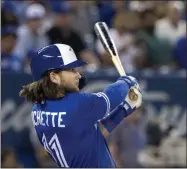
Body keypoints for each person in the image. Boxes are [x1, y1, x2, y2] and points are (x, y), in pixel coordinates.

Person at [19, 43, 142, 167]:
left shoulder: (38, 108)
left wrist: (123, 110)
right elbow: (112, 95)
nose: (78, 75)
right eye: (72, 70)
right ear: (54, 77)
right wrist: (127, 81)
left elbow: (91, 134)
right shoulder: (76, 104)